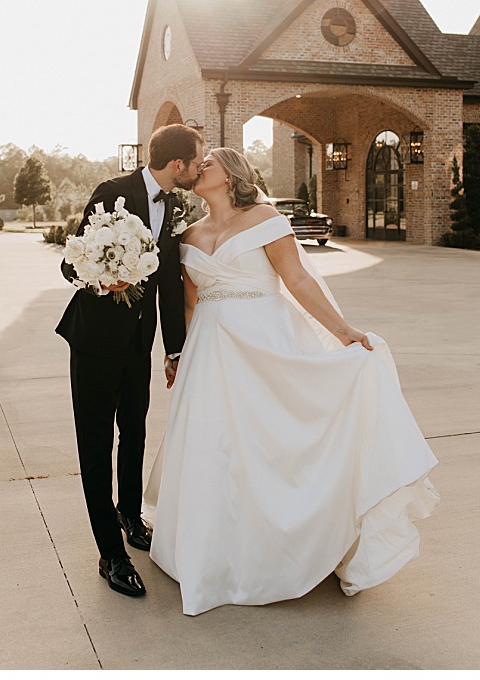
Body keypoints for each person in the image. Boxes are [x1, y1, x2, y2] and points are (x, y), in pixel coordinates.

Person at [144, 147, 438, 615]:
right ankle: (217, 548)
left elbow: (298, 281)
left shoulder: (264, 217)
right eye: (198, 166)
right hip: (210, 350)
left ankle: (280, 546)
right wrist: (177, 354)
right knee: (213, 444)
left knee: (269, 443)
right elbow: (190, 304)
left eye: (209, 164)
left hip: (264, 343)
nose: (199, 169)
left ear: (233, 174)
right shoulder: (189, 233)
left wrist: (343, 332)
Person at [55, 123, 204, 599]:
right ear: (177, 165)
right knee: (96, 444)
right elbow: (70, 263)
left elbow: (169, 286)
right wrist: (103, 281)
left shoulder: (176, 207)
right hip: (95, 340)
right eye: (197, 161)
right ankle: (111, 553)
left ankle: (131, 514)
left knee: (135, 431)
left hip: (140, 342)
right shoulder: (111, 192)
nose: (200, 168)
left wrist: (174, 349)